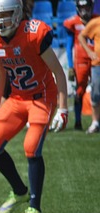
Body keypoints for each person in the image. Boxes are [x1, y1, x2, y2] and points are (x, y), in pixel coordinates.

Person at [0, 0, 68, 213]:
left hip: (42, 96)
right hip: (17, 97)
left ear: (18, 13)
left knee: (31, 148)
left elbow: (58, 71)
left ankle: (34, 207)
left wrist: (63, 108)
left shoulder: (34, 33)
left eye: (6, 14)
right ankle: (19, 190)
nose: (0, 21)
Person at [64, 0, 94, 131]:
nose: (84, 11)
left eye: (87, 7)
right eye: (82, 7)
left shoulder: (96, 20)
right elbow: (68, 45)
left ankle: (96, 121)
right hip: (81, 60)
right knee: (80, 90)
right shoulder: (73, 22)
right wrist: (70, 65)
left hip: (97, 58)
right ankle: (77, 122)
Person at [78, 10, 100, 134]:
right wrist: (89, 52)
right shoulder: (96, 23)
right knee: (96, 94)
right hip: (98, 64)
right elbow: (81, 36)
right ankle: (95, 122)